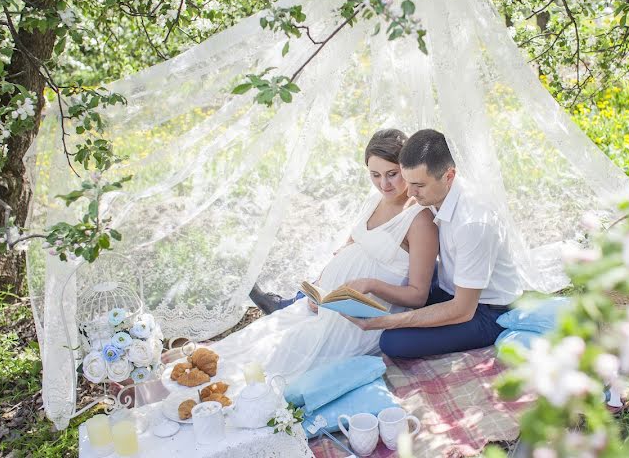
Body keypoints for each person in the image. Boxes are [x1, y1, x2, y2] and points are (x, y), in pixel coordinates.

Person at [209, 129, 438, 378]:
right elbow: (349, 247)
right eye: (375, 175)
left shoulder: (420, 220)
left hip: (359, 321)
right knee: (261, 335)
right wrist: (320, 287)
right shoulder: (373, 200)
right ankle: (203, 361)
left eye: (392, 174)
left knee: (279, 356)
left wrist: (371, 284)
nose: (384, 184)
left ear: (406, 168)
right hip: (329, 303)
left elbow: (418, 296)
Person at [344, 128, 523, 358]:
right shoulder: (434, 190)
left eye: (418, 185)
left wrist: (393, 321)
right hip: (449, 284)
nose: (410, 192)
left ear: (449, 176)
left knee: (393, 341)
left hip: (485, 311)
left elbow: (462, 310)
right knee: (397, 282)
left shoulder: (473, 223)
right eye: (407, 181)